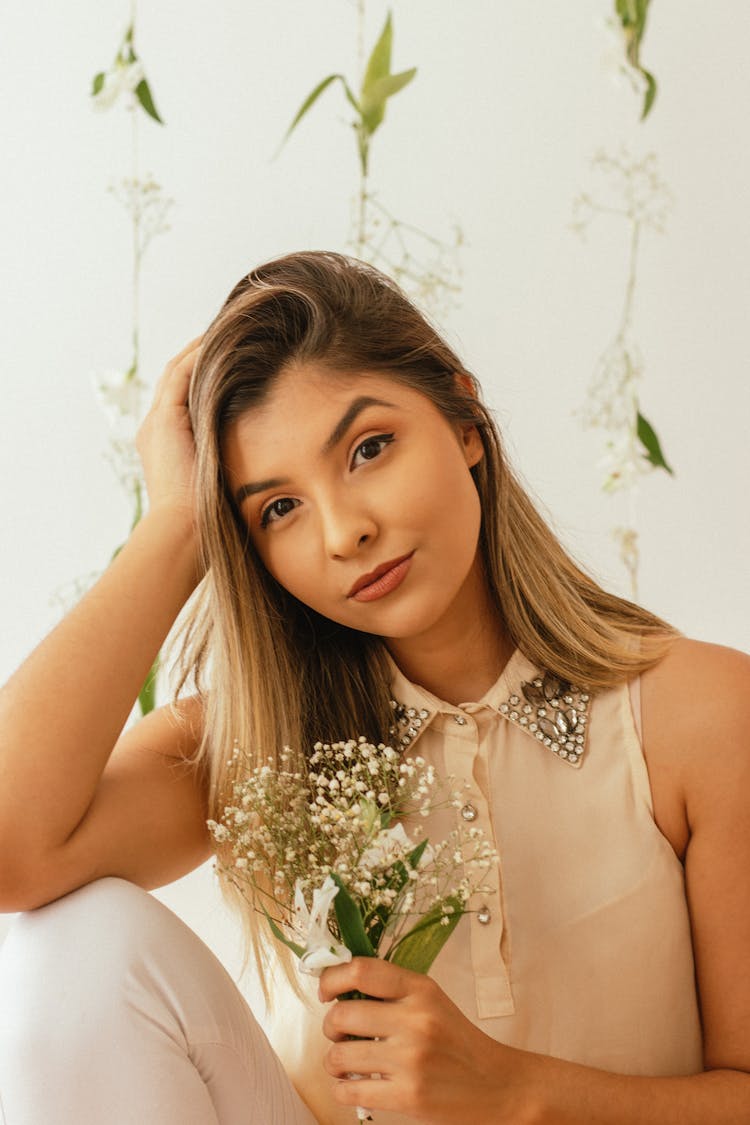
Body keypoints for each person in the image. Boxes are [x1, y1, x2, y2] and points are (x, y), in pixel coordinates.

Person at [0, 250, 749, 1125]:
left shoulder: (701, 716)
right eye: (277, 508)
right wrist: (174, 526)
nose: (346, 531)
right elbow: (14, 854)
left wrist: (514, 1091)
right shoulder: (254, 752)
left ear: (466, 419)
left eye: (368, 448)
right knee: (81, 944)